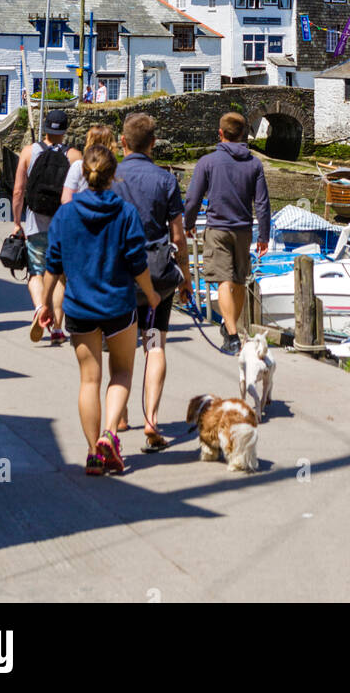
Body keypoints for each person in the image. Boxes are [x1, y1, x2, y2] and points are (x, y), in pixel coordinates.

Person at [41, 144, 160, 476]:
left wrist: (46, 305)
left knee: (88, 380)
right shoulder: (125, 213)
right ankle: (111, 433)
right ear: (113, 176)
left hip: (79, 307)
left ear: (83, 175)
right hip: (118, 305)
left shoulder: (65, 214)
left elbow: (53, 263)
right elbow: (138, 263)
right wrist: (150, 294)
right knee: (121, 372)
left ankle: (94, 453)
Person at [113, 112, 192, 449]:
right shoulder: (166, 179)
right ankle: (152, 420)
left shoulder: (111, 177)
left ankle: (118, 417)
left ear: (122, 142)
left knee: (121, 349)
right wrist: (186, 279)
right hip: (158, 274)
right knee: (155, 344)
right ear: (154, 143)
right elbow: (179, 236)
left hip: (119, 273)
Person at [183, 111, 271, 357]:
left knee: (223, 280)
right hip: (243, 229)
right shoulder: (254, 164)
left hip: (218, 228)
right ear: (244, 134)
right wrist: (264, 234)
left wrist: (188, 222)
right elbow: (262, 203)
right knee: (240, 280)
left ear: (220, 134)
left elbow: (192, 199)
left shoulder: (207, 162)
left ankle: (231, 335)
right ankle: (231, 325)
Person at [12, 108, 82, 344]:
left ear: (45, 127)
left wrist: (16, 222)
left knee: (36, 271)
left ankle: (41, 308)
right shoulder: (74, 156)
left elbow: (18, 191)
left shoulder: (29, 152)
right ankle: (57, 329)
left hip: (34, 224)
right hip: (64, 226)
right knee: (61, 277)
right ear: (66, 129)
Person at [62, 124, 116, 203]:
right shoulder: (116, 168)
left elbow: (66, 199)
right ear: (111, 144)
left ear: (89, 142)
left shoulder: (78, 166)